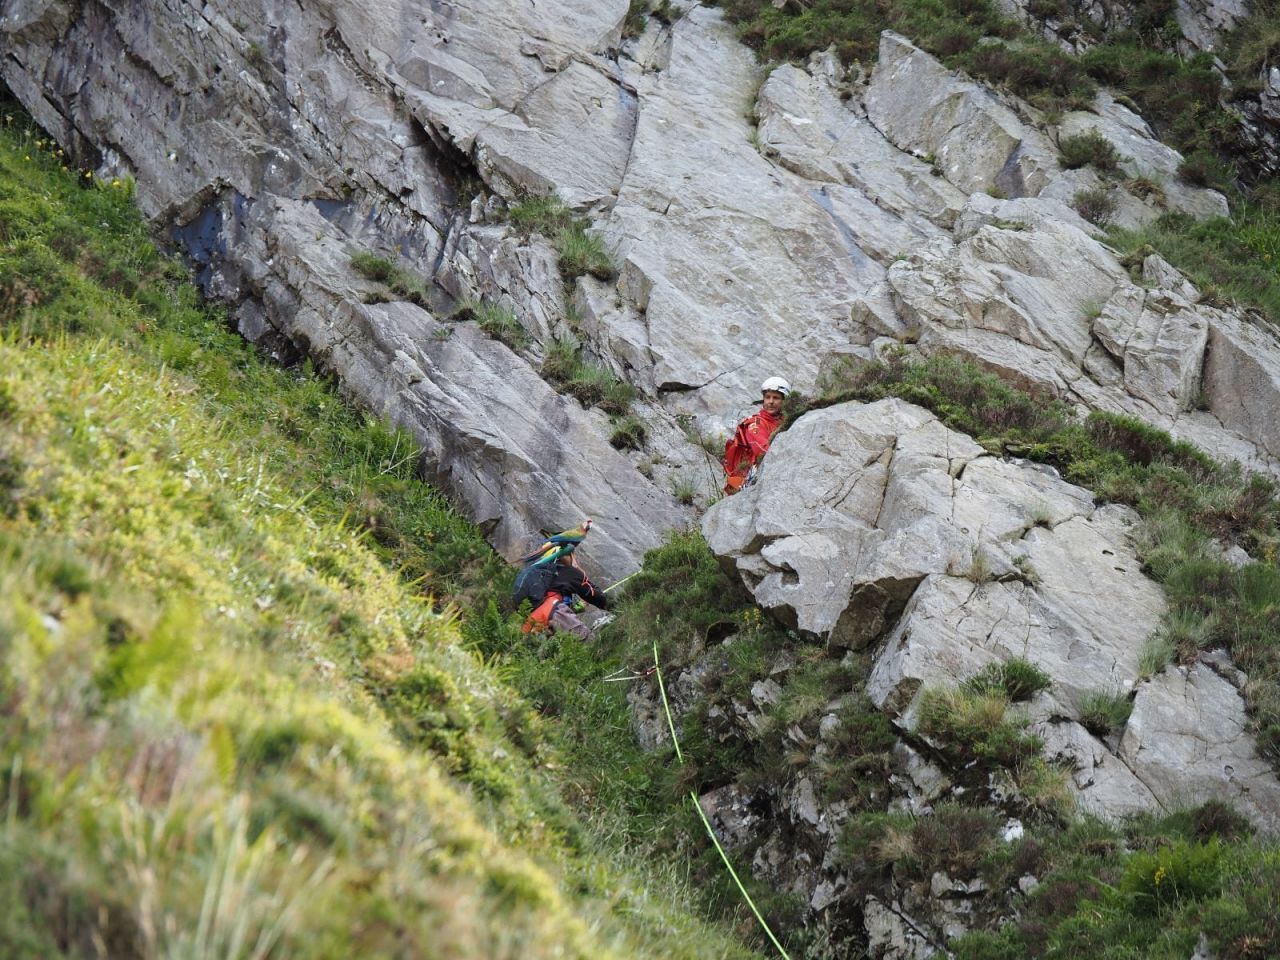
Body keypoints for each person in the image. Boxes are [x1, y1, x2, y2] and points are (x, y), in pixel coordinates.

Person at [722, 376, 790, 495]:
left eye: (776, 398)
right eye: (767, 397)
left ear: (785, 401)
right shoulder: (755, 424)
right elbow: (763, 451)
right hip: (748, 483)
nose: (771, 402)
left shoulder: (784, 421)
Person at [521, 553, 610, 639]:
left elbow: (550, 604)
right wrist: (614, 604)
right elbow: (594, 596)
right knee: (589, 643)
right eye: (573, 554)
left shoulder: (544, 575)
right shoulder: (569, 571)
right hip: (553, 613)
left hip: (532, 622)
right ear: (567, 556)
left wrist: (576, 608)